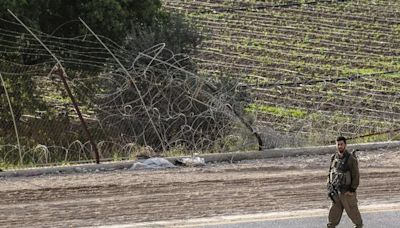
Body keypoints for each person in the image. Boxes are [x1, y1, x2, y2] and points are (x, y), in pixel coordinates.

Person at [327, 136, 363, 228]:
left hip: (347, 193)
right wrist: (329, 186)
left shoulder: (351, 159)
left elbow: (356, 175)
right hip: (336, 193)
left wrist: (352, 189)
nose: (340, 146)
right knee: (333, 216)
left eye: (341, 144)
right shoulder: (334, 157)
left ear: (345, 145)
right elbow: (330, 172)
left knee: (354, 213)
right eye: (338, 144)